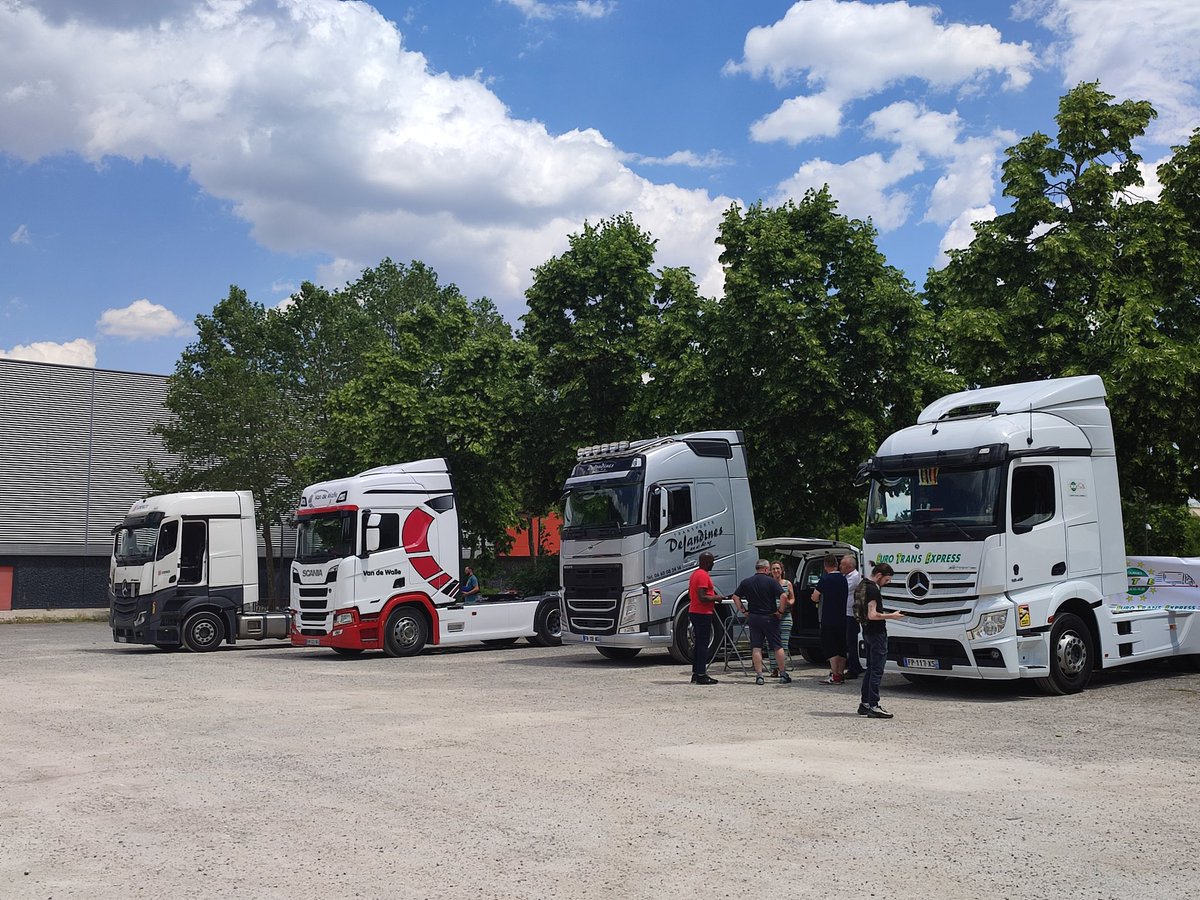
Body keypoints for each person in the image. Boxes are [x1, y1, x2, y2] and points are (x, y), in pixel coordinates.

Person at [731, 559, 790, 685]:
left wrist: (744, 610)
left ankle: (759, 675)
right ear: (765, 569)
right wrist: (780, 611)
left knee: (756, 646)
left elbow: (735, 597)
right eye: (769, 569)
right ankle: (783, 674)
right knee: (777, 646)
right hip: (770, 617)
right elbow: (784, 596)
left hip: (754, 617)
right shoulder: (771, 582)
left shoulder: (747, 582)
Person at [858, 562, 904, 719]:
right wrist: (892, 616)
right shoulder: (873, 590)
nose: (888, 583)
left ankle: (865, 704)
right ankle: (874, 705)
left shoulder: (862, 585)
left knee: (870, 669)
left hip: (866, 631)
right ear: (879, 576)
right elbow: (873, 615)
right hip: (877, 633)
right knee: (877, 669)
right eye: (887, 580)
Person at [811, 554, 848, 684]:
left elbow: (815, 597)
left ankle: (834, 675)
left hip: (828, 618)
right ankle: (841, 673)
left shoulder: (825, 579)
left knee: (831, 647)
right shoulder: (844, 579)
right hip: (842, 617)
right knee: (841, 646)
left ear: (825, 566)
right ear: (836, 564)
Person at [687, 551, 724, 685]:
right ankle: (701, 674)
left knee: (698, 643)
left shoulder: (695, 574)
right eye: (712, 561)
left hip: (695, 610)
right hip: (702, 612)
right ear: (706, 562)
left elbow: (692, 594)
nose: (713, 564)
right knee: (703, 644)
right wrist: (716, 597)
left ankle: (696, 673)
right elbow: (702, 597)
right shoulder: (702, 575)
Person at [769, 560, 795, 677]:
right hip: (771, 617)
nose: (776, 571)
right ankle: (774, 668)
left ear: (781, 570)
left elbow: (792, 598)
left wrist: (787, 603)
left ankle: (782, 668)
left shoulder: (787, 583)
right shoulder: (768, 583)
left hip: (785, 617)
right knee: (770, 644)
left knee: (783, 643)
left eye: (777, 568)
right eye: (773, 569)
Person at [841, 555, 865, 679]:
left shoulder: (854, 577)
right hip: (847, 612)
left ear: (849, 566)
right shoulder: (846, 577)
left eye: (842, 565)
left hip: (852, 614)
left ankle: (854, 668)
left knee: (852, 641)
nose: (840, 567)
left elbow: (843, 589)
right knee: (849, 641)